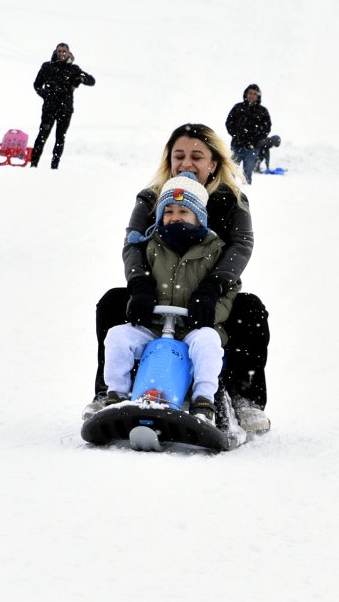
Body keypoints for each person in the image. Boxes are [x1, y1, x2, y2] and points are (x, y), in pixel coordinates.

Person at [86, 123, 271, 433]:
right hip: (159, 295)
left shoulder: (231, 200)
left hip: (208, 294)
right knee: (113, 302)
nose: (186, 163)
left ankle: (244, 396)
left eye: (197, 157)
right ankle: (109, 391)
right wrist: (140, 284)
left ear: (213, 163)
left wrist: (213, 286)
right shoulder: (152, 197)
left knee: (250, 309)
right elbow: (133, 243)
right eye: (179, 156)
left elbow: (240, 245)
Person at [103, 172, 238, 424]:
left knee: (209, 342)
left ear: (199, 216)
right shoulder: (152, 245)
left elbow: (230, 290)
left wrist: (209, 311)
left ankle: (204, 401)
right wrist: (140, 300)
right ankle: (115, 395)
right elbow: (140, 277)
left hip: (192, 328)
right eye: (168, 211)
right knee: (117, 336)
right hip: (154, 327)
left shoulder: (214, 250)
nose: (175, 217)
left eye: (183, 211)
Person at [31, 42, 95, 169]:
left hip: (65, 109)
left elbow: (92, 81)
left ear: (69, 53)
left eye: (64, 51)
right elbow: (36, 84)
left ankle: (54, 166)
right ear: (56, 52)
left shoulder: (74, 69)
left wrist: (81, 78)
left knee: (60, 138)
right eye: (59, 51)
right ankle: (33, 164)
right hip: (49, 108)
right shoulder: (47, 66)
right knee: (42, 136)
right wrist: (45, 95)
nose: (62, 54)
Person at [225, 84, 272, 185]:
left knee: (247, 175)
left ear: (258, 96)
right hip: (236, 146)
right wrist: (235, 135)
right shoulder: (238, 107)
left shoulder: (262, 111)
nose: (252, 95)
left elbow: (267, 128)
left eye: (255, 94)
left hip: (252, 149)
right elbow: (229, 123)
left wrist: (257, 140)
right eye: (250, 93)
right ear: (246, 94)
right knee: (231, 173)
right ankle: (229, 191)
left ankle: (247, 193)